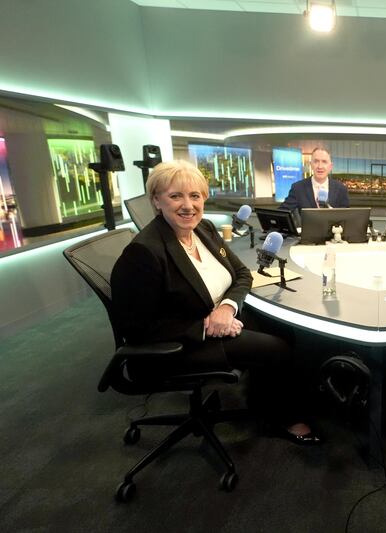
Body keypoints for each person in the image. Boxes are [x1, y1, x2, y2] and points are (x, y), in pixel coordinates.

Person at [111, 160, 321, 445]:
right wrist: (206, 327)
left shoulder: (203, 229)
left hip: (215, 316)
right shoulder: (144, 253)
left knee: (283, 329)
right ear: (156, 201)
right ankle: (283, 416)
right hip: (178, 346)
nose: (188, 205)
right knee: (278, 347)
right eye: (176, 196)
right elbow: (136, 329)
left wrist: (226, 308)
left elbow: (242, 274)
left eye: (195, 196)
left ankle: (263, 399)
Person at [279, 146, 350, 212]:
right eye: (316, 161)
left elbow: (346, 217)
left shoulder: (341, 189)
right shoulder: (298, 188)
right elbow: (282, 212)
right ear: (311, 165)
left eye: (324, 162)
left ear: (330, 166)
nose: (320, 166)